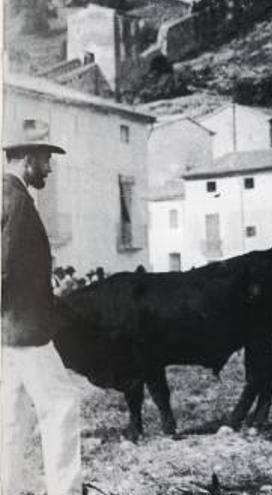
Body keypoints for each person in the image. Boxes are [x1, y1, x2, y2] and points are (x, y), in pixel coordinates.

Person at [2, 119, 84, 495]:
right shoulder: (16, 203)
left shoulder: (6, 196)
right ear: (27, 159)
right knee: (62, 406)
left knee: (10, 419)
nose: (49, 168)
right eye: (46, 159)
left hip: (8, 330)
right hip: (25, 330)